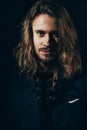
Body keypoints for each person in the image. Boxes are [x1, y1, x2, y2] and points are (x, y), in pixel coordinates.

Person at [12, 0, 87, 130]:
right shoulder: (12, 88)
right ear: (30, 35)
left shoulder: (81, 84)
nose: (48, 42)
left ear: (64, 36)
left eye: (55, 34)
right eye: (40, 33)